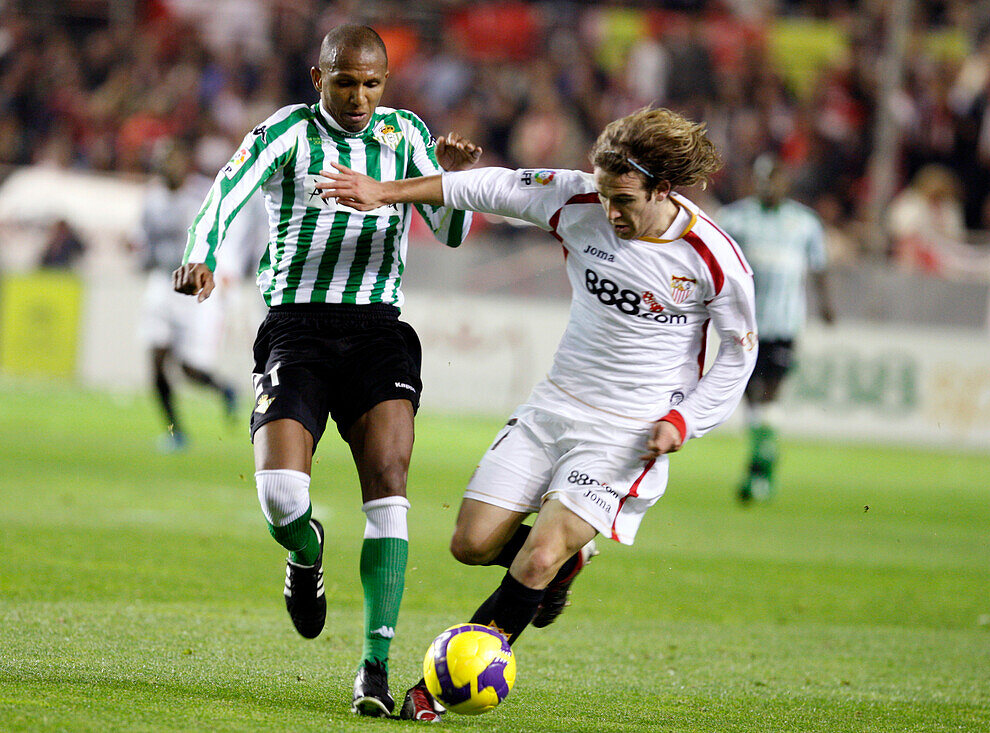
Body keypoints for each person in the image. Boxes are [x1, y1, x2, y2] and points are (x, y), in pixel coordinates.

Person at [318, 106, 758, 721]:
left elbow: (738, 361)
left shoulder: (714, 260)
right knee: (470, 544)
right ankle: (568, 561)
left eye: (624, 199)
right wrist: (384, 192)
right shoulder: (576, 199)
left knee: (537, 557)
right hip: (553, 407)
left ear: (663, 187)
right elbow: (489, 186)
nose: (610, 212)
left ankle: (439, 691)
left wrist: (683, 421)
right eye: (604, 195)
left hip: (627, 436)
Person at [172, 24, 481, 717]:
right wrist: (203, 254)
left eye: (372, 83)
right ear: (320, 77)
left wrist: (452, 182)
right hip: (297, 329)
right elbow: (225, 191)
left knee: (390, 486)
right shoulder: (285, 133)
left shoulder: (406, 134)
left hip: (377, 332)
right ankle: (306, 552)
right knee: (282, 494)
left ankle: (375, 664)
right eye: (346, 82)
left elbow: (451, 233)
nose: (359, 97)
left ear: (386, 82)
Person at [717, 154, 834, 502]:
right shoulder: (735, 218)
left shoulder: (805, 223)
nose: (771, 186)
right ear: (755, 181)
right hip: (744, 324)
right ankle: (764, 459)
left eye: (777, 179)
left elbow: (819, 266)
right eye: (765, 179)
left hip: (784, 324)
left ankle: (760, 467)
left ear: (786, 182)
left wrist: (826, 305)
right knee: (752, 397)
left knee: (769, 393)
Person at [135, 141, 237, 452]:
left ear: (185, 163)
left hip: (190, 293)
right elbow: (143, 242)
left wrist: (220, 276)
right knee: (155, 360)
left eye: (173, 160)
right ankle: (175, 432)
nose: (167, 167)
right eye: (163, 161)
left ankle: (223, 389)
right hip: (160, 285)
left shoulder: (201, 196)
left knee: (188, 369)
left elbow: (221, 236)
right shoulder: (151, 200)